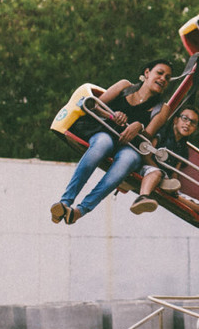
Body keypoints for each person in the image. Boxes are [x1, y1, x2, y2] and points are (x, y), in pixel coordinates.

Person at [51, 58, 173, 224]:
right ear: (147, 73)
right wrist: (111, 115)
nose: (163, 79)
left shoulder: (162, 108)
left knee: (128, 159)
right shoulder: (124, 86)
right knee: (103, 143)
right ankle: (65, 202)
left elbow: (147, 137)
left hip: (129, 146)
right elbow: (94, 106)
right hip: (104, 131)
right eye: (160, 73)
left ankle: (80, 211)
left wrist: (139, 126)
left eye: (167, 78)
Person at [131, 107, 199, 214]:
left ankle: (172, 194)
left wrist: (173, 186)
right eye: (185, 118)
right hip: (148, 169)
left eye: (193, 122)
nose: (188, 124)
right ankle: (142, 197)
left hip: (165, 179)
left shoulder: (183, 148)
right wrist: (162, 176)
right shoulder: (163, 133)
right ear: (175, 120)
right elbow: (146, 156)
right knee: (157, 173)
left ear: (195, 128)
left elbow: (175, 172)